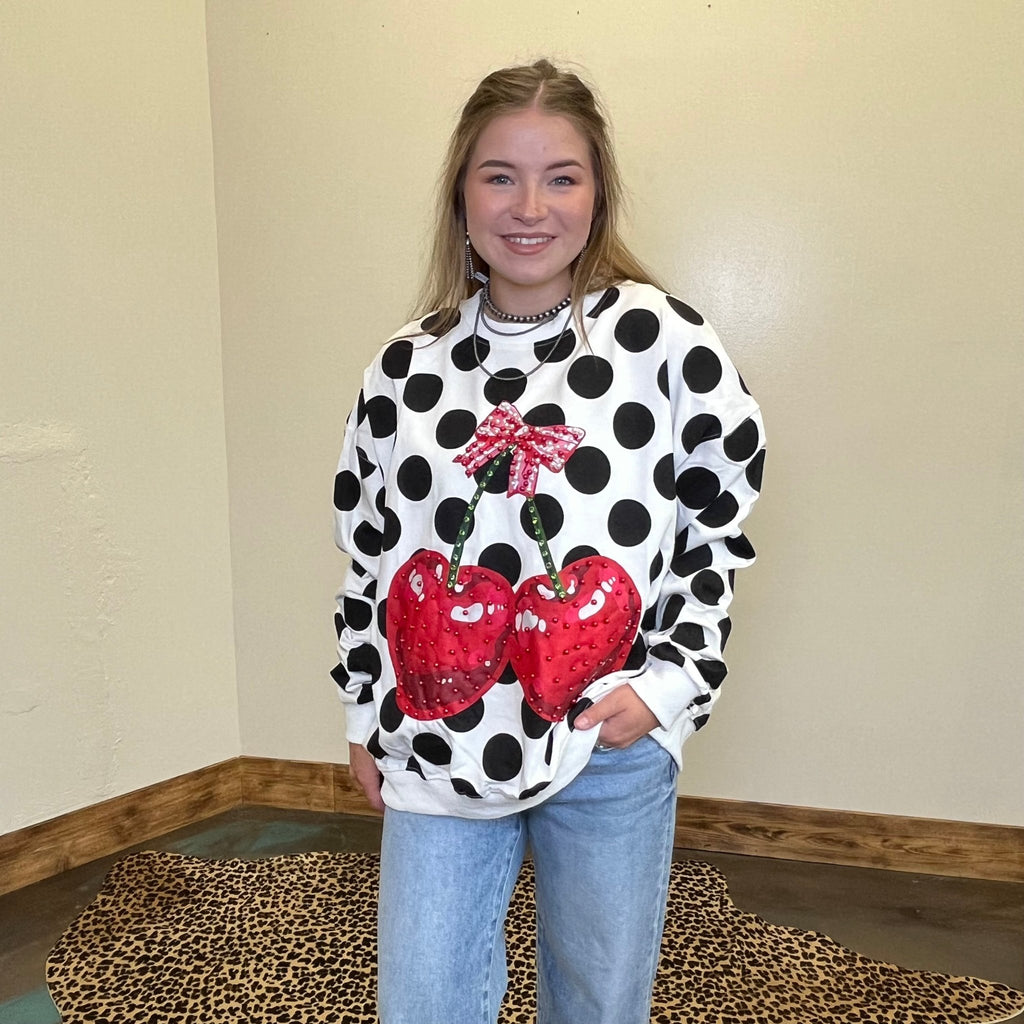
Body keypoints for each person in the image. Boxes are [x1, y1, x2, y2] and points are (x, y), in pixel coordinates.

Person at [332, 58, 765, 1024]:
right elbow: (369, 547)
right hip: (439, 736)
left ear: (597, 192)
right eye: (500, 175)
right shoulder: (405, 367)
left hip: (605, 739)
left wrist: (669, 688)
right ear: (461, 191)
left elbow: (719, 521)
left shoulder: (664, 344)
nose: (531, 206)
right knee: (422, 999)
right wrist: (366, 710)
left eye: (561, 176)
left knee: (599, 1001)